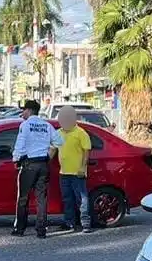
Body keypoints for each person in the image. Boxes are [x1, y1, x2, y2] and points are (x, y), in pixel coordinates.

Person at [12, 99, 64, 239]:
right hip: (43, 165)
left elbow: (20, 144)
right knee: (41, 198)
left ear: (29, 111)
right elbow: (59, 141)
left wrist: (16, 159)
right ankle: (41, 230)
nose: (22, 113)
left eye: (23, 110)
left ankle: (20, 228)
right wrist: (47, 155)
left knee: (23, 198)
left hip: (29, 165)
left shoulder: (25, 125)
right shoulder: (46, 125)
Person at [53, 105, 92, 234]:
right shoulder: (58, 133)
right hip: (63, 173)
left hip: (78, 173)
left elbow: (86, 151)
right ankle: (69, 223)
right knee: (67, 198)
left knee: (81, 199)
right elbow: (52, 150)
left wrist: (82, 167)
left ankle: (85, 224)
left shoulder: (81, 133)